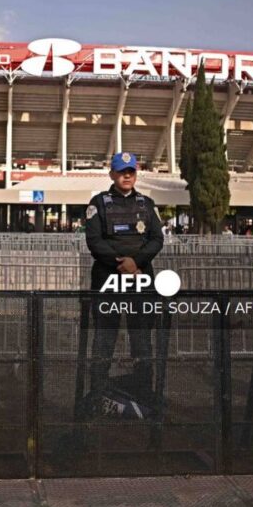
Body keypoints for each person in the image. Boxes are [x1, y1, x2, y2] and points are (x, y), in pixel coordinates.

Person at [84, 152, 164, 408]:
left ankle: (144, 392)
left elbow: (157, 239)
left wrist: (136, 262)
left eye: (131, 171)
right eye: (121, 171)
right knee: (104, 338)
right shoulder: (98, 203)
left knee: (142, 339)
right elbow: (94, 241)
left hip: (140, 280)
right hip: (108, 279)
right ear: (112, 174)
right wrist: (122, 263)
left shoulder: (147, 204)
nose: (127, 176)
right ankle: (97, 393)